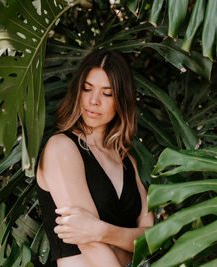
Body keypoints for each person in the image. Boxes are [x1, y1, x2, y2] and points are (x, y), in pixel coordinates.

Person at [36, 49, 154, 267]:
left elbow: (151, 238)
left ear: (121, 100)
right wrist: (122, 237)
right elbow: (88, 243)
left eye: (107, 93)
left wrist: (102, 230)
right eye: (87, 89)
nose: (93, 101)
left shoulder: (128, 159)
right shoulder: (62, 148)